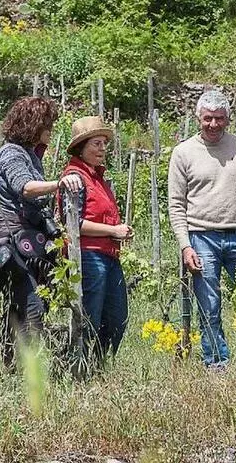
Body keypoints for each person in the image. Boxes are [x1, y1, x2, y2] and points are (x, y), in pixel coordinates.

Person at [0, 97, 81, 367]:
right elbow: (25, 187)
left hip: (27, 238)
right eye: (47, 124)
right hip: (11, 237)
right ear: (33, 124)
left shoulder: (30, 154)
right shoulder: (11, 153)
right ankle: (23, 368)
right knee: (32, 307)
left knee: (27, 305)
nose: (51, 129)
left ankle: (11, 362)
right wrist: (58, 184)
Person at [168, 90, 236, 367]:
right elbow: (176, 204)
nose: (213, 124)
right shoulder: (183, 152)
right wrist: (185, 246)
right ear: (198, 117)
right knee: (209, 305)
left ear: (228, 119)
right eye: (208, 118)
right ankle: (217, 363)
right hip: (201, 237)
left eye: (219, 118)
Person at [59, 116, 133, 366]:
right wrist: (113, 230)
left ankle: (100, 366)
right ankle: (82, 367)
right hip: (89, 256)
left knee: (117, 317)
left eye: (104, 144)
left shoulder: (97, 178)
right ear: (81, 148)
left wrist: (118, 231)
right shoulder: (75, 178)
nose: (102, 149)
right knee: (92, 317)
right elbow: (74, 223)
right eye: (96, 144)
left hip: (108, 256)